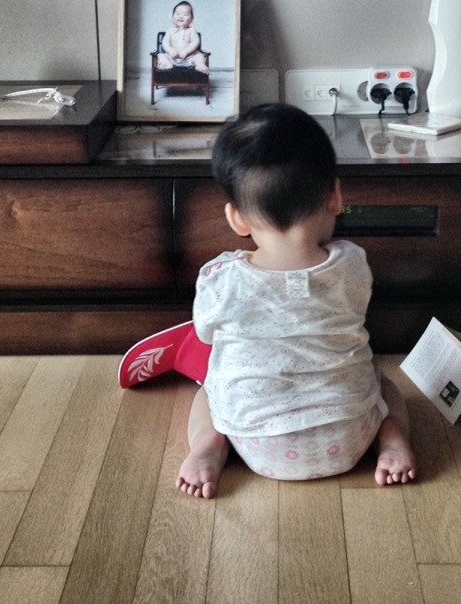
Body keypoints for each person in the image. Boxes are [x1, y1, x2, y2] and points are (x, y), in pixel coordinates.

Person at [177, 103, 417, 499]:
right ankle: (392, 441)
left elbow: (205, 334)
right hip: (350, 436)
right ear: (335, 196)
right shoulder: (353, 263)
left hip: (257, 445)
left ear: (236, 218)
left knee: (208, 390)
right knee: (382, 382)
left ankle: (208, 445)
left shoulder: (220, 278)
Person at [156, 1, 209, 73]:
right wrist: (170, 51)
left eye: (185, 15)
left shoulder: (192, 30)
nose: (181, 16)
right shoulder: (170, 31)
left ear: (192, 19)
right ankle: (166, 64)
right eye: (178, 14)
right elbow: (165, 43)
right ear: (172, 17)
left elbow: (195, 42)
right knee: (161, 55)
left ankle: (200, 65)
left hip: (189, 58)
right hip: (172, 58)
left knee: (199, 56)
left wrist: (186, 51)